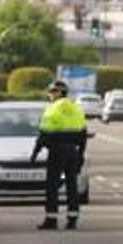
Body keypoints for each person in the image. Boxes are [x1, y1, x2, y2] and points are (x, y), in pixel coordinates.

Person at [31, 80, 87, 230]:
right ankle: (72, 219)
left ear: (58, 93)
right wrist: (81, 154)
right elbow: (83, 133)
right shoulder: (76, 108)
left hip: (57, 151)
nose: (49, 95)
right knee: (72, 185)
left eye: (51, 92)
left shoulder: (52, 109)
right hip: (73, 151)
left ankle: (51, 219)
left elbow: (44, 134)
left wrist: (36, 152)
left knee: (52, 185)